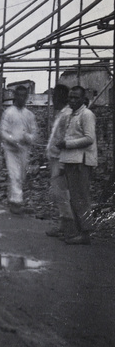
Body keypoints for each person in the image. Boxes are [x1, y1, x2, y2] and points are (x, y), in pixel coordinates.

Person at [56, 86, 97, 245]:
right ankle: (78, 232)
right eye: (70, 98)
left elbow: (89, 138)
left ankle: (85, 233)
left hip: (81, 162)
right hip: (71, 161)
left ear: (83, 99)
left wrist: (67, 144)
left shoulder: (87, 115)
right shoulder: (71, 114)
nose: (72, 100)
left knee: (81, 198)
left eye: (76, 98)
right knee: (74, 198)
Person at [0, 85, 37, 214]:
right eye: (19, 95)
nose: (21, 98)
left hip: (24, 149)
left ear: (26, 97)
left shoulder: (29, 115)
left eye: (24, 95)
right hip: (11, 149)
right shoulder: (9, 112)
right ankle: (17, 203)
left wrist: (28, 138)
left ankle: (13, 198)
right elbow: (3, 131)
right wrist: (12, 140)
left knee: (21, 175)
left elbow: (33, 132)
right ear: (15, 96)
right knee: (14, 174)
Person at [45, 85, 75, 238]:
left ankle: (69, 229)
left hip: (60, 159)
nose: (53, 100)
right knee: (59, 193)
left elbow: (67, 140)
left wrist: (63, 163)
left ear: (62, 98)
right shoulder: (61, 114)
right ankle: (63, 226)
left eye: (55, 97)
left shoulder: (67, 115)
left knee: (62, 193)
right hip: (55, 158)